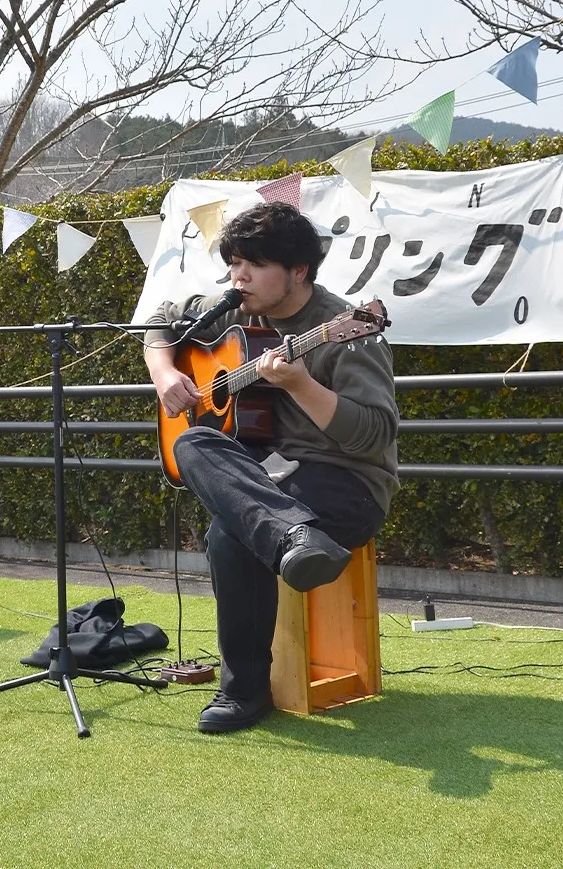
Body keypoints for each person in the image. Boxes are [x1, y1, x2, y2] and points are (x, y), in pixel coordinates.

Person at [144, 200, 399, 734]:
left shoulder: (350, 330)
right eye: (234, 263)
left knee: (228, 536)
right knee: (193, 442)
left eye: (254, 265)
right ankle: (292, 539)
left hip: (346, 483)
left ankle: (244, 692)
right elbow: (161, 320)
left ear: (298, 271)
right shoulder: (236, 309)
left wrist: (301, 385)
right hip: (271, 479)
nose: (239, 277)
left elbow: (374, 437)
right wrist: (166, 373)